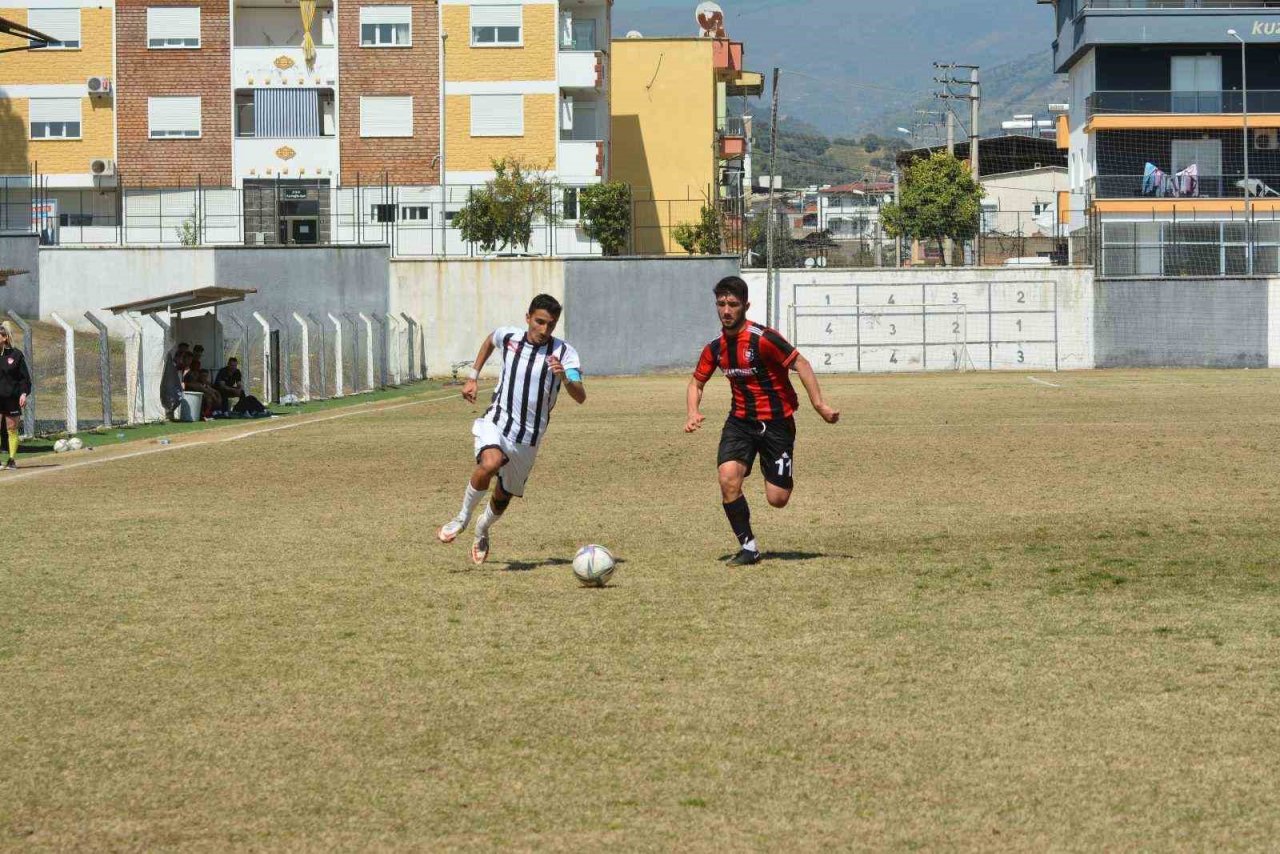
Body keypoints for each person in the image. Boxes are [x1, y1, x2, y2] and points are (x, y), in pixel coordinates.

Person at [685, 275, 840, 565]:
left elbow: (801, 363)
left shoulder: (764, 339)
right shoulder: (715, 348)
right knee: (727, 479)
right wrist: (693, 411)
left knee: (777, 499)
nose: (726, 310)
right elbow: (696, 383)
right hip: (741, 422)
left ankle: (768, 469)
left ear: (745, 305)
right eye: (721, 304)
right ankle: (749, 547)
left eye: (732, 304)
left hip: (778, 423)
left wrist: (819, 404)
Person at [437, 294, 586, 564]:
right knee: (490, 463)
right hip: (498, 420)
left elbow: (580, 395)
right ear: (527, 318)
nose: (544, 330)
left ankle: (482, 529)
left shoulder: (565, 353)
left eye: (551, 325)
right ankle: (462, 518)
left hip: (528, 437)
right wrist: (473, 377)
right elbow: (489, 340)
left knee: (504, 494)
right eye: (539, 322)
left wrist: (565, 377)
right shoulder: (510, 337)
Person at [0, 321, 33, 470]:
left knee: (12, 429)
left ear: (5, 337)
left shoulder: (16, 355)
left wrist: (24, 393)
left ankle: (11, 459)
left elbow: (24, 378)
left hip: (11, 397)